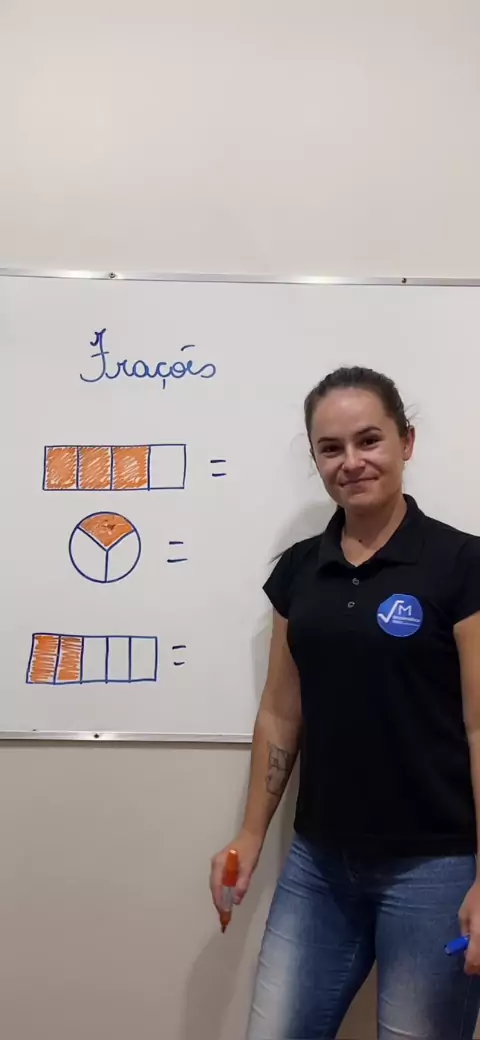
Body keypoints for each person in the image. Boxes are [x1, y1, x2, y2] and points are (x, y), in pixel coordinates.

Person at [210, 366, 480, 1040]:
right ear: (316, 459)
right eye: (331, 448)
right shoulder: (299, 570)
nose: (351, 462)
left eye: (369, 440)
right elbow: (281, 713)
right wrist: (249, 834)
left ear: (406, 441)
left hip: (437, 869)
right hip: (319, 865)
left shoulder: (463, 565)